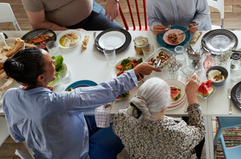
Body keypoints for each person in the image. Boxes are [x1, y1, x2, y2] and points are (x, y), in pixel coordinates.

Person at [2, 47, 157, 159]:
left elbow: (18, 136)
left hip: (55, 149)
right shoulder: (58, 101)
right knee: (127, 121)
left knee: (103, 113)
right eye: (51, 63)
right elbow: (107, 90)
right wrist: (136, 71)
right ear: (40, 78)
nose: (55, 62)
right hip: (81, 155)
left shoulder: (9, 96)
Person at [113, 75, 206, 159]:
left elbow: (117, 130)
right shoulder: (179, 134)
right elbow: (200, 130)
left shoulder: (122, 118)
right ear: (164, 108)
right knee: (200, 140)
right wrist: (191, 96)